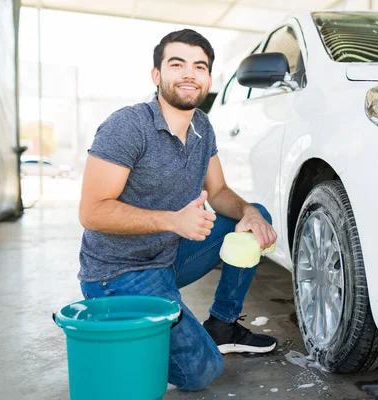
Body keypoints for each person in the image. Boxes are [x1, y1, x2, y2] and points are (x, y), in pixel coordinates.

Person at [77, 29, 278, 391]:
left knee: (254, 217)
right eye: (177, 64)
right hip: (120, 272)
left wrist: (248, 211)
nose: (189, 74)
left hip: (172, 253)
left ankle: (222, 324)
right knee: (201, 372)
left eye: (199, 67)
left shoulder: (202, 125)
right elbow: (92, 211)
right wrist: (174, 220)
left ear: (208, 79)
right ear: (157, 76)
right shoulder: (128, 126)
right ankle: (142, 321)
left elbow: (218, 192)